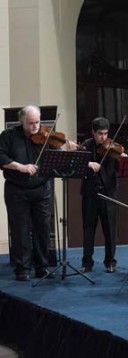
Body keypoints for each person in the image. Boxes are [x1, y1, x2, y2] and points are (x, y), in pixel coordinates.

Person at [0, 105, 77, 281]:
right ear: (22, 121)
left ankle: (42, 267)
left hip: (41, 189)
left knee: (42, 229)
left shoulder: (45, 138)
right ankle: (22, 269)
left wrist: (68, 152)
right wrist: (21, 167)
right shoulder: (9, 136)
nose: (35, 126)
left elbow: (57, 159)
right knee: (20, 230)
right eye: (31, 123)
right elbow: (1, 156)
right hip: (16, 190)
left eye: (37, 122)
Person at [80, 117, 121, 273]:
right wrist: (87, 163)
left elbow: (119, 168)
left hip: (108, 193)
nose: (103, 138)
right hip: (90, 194)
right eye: (100, 134)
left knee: (110, 230)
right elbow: (75, 166)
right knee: (88, 229)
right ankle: (87, 262)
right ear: (93, 132)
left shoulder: (113, 148)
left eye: (105, 133)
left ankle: (110, 261)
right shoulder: (86, 146)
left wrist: (122, 158)